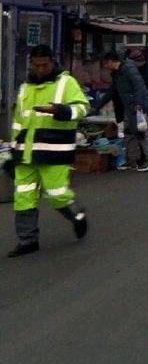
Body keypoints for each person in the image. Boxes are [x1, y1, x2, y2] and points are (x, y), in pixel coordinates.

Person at [8, 45, 90, 258]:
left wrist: (61, 110)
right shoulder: (25, 87)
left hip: (54, 151)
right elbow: (19, 121)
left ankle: (77, 215)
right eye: (36, 66)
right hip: (25, 153)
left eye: (44, 65)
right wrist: (13, 148)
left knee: (57, 194)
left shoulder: (66, 82)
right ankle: (28, 241)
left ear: (52, 62)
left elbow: (83, 108)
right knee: (23, 197)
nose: (41, 69)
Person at [93, 50, 148, 172]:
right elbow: (112, 91)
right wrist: (97, 106)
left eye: (105, 64)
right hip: (129, 106)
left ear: (111, 61)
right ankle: (132, 160)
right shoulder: (118, 72)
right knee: (129, 132)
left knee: (142, 131)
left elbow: (138, 84)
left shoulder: (128, 68)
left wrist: (138, 103)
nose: (105, 67)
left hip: (138, 105)